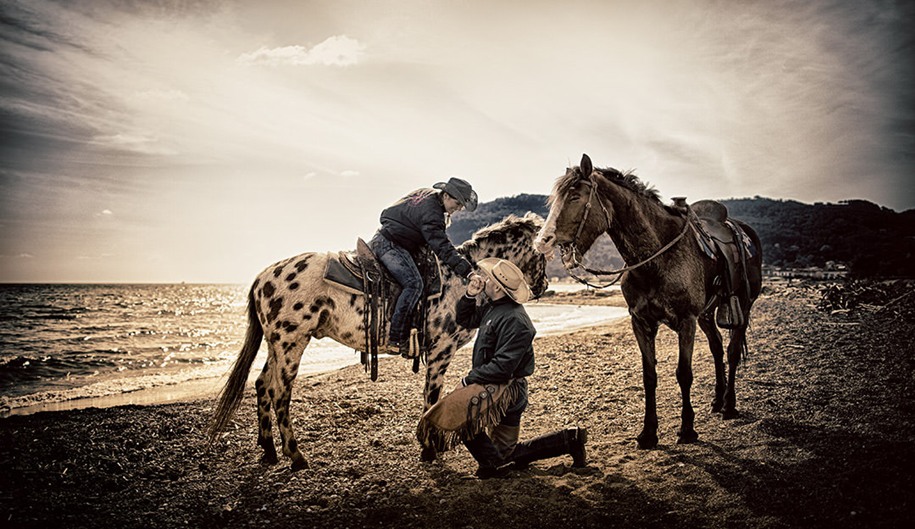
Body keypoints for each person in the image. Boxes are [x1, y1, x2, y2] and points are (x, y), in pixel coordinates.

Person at [455, 257, 587, 478]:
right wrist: (470, 294)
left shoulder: (517, 321)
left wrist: (469, 380)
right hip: (494, 385)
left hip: (507, 391)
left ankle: (493, 466)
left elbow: (503, 367)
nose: (484, 280)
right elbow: (464, 319)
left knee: (460, 416)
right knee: (505, 453)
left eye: (488, 278)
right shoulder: (494, 307)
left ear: (497, 286)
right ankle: (570, 439)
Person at [370, 177, 477, 357]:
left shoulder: (426, 194)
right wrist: (468, 271)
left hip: (390, 238)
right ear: (446, 196)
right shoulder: (433, 213)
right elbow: (442, 247)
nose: (458, 209)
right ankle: (395, 337)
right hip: (389, 244)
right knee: (414, 284)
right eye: (457, 203)